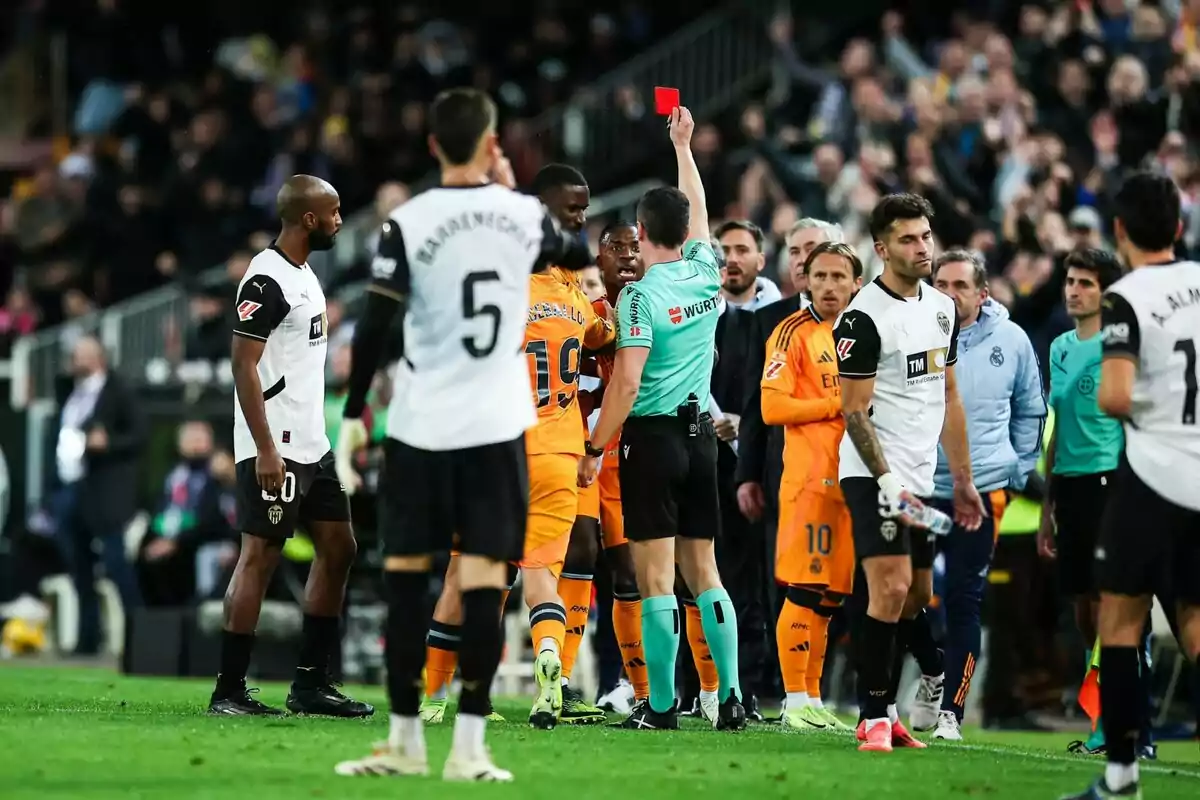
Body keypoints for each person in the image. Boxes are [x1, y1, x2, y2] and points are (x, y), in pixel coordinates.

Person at [331, 88, 590, 781]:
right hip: (499, 424)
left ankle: (405, 740)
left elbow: (376, 326)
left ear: (431, 146)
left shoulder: (406, 222)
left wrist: (357, 404)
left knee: (410, 584)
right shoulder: (520, 215)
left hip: (421, 421)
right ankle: (471, 749)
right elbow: (577, 247)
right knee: (483, 584)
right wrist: (511, 191)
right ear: (492, 142)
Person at [416, 163, 608, 728]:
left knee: (466, 576)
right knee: (540, 574)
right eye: (573, 208)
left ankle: (433, 699)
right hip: (557, 450)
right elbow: (602, 336)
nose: (582, 218)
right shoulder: (570, 287)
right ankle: (549, 659)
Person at [578, 106, 745, 732]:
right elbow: (697, 207)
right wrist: (684, 146)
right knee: (705, 572)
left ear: (643, 232)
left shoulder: (642, 296)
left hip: (651, 438)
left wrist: (596, 445)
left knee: (654, 580)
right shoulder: (706, 274)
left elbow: (624, 380)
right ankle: (729, 697)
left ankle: (663, 705)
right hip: (702, 435)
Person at [211, 175, 370, 719]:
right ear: (309, 219)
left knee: (341, 547)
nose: (340, 220)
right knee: (259, 555)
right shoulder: (266, 279)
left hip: (312, 442)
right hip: (274, 441)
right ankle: (228, 690)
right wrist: (264, 449)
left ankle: (310, 685)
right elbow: (242, 363)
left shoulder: (304, 275)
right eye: (335, 212)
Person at [832, 193, 985, 753]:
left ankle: (922, 675)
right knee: (891, 587)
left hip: (922, 479)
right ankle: (874, 715)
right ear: (881, 249)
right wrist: (887, 481)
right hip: (873, 474)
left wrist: (962, 480)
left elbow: (947, 394)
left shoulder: (941, 309)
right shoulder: (863, 317)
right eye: (908, 239)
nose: (923, 247)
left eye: (926, 236)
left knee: (917, 594)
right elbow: (852, 412)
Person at [1066, 171, 1200, 800]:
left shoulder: (1127, 296)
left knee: (1119, 619)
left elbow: (1116, 395)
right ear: (1179, 225)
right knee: (1196, 627)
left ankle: (1120, 778)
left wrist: (1155, 406)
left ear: (1119, 231)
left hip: (1153, 477)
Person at [910, 249, 1046, 741]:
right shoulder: (912, 329)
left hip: (982, 491)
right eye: (940, 283)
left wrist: (1017, 467)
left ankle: (952, 714)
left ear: (982, 293)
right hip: (921, 487)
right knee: (901, 592)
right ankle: (932, 669)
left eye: (959, 285)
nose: (948, 292)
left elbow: (1032, 408)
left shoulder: (1011, 341)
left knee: (966, 600)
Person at [735, 219, 842, 700]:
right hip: (790, 472)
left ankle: (816, 690)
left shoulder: (863, 322)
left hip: (852, 474)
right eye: (796, 252)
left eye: (814, 250)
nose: (803, 260)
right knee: (788, 580)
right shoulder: (776, 321)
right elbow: (761, 408)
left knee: (837, 588)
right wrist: (748, 474)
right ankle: (787, 689)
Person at [761, 241, 861, 732]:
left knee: (829, 598)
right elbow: (772, 408)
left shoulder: (859, 334)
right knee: (804, 588)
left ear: (856, 283)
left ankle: (814, 698)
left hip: (849, 481)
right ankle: (793, 698)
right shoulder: (791, 332)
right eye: (819, 276)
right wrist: (835, 405)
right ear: (805, 280)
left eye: (838, 277)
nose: (828, 286)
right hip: (809, 480)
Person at [1036, 248, 1125, 754]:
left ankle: (1111, 720)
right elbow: (1057, 425)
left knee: (1110, 604)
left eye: (1086, 283)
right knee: (1084, 612)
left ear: (1105, 292)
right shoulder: (1062, 347)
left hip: (1108, 481)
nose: (1074, 290)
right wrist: (1048, 506)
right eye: (1070, 281)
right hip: (1068, 485)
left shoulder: (1118, 348)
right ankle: (1110, 710)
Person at [584, 221, 650, 714]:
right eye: (617, 248)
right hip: (583, 456)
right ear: (599, 257)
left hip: (634, 458)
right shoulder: (583, 316)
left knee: (631, 575)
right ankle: (565, 681)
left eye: (635, 247)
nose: (628, 256)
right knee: (581, 568)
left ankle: (628, 684)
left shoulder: (653, 312)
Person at [52, 334, 145, 655]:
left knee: (116, 564)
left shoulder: (119, 391)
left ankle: (141, 637)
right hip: (71, 488)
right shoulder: (69, 391)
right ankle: (87, 638)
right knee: (79, 568)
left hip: (106, 492)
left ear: (98, 358)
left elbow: (138, 436)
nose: (74, 360)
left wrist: (108, 444)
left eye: (80, 354)